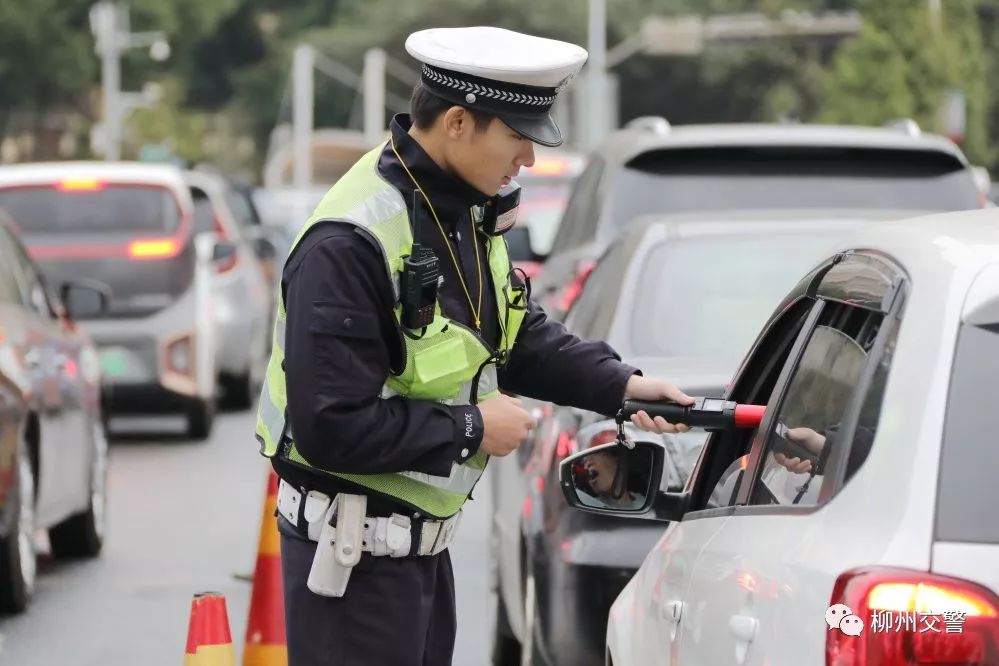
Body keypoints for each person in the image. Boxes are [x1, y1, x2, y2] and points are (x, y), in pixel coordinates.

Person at [254, 26, 692, 666]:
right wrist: (472, 427)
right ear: (458, 122)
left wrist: (620, 385)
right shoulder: (349, 243)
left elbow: (514, 336)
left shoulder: (459, 211)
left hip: (418, 562)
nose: (528, 159)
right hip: (350, 568)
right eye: (518, 137)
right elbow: (330, 426)